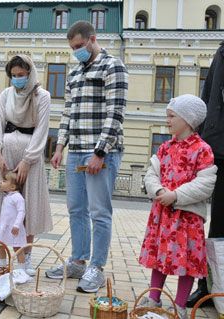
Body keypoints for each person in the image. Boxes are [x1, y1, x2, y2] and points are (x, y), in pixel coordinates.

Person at [45, 20, 128, 293]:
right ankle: (78, 261)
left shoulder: (112, 66)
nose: (76, 51)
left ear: (93, 39)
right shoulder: (74, 74)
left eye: (80, 46)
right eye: (72, 48)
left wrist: (100, 152)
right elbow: (67, 113)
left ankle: (96, 267)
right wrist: (59, 147)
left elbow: (115, 113)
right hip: (75, 151)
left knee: (99, 212)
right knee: (75, 209)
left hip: (100, 153)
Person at [138, 94, 217, 319]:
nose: (168, 120)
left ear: (188, 119)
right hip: (163, 215)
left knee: (188, 261)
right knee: (159, 256)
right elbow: (151, 173)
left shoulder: (202, 150)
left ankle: (180, 305)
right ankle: (153, 297)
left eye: (172, 116)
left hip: (187, 217)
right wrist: (159, 191)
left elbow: (205, 183)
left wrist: (176, 195)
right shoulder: (165, 147)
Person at [0, 54, 52, 277]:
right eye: (13, 75)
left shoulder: (43, 97)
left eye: (21, 75)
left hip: (30, 159)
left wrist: (27, 161)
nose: (17, 79)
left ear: (30, 73)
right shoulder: (5, 95)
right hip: (5, 155)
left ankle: (25, 258)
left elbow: (42, 130)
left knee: (27, 208)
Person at [187, 41, 224, 309]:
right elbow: (208, 94)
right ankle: (210, 287)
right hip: (219, 145)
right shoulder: (222, 52)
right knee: (218, 224)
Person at [0, 172, 26, 269]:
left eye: (4, 181)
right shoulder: (7, 197)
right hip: (4, 226)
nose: (1, 182)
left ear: (12, 187)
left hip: (14, 228)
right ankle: (2, 267)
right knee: (0, 245)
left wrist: (17, 225)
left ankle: (21, 269)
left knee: (18, 247)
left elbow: (21, 211)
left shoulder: (18, 197)